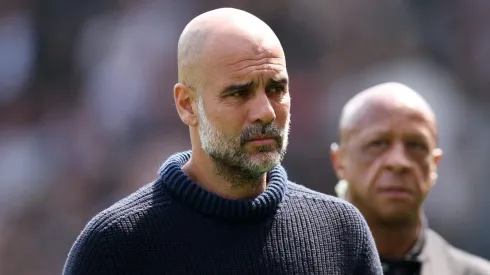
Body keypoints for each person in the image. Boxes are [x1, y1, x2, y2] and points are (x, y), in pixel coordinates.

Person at [62, 7, 383, 275]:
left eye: (276, 89)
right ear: (187, 105)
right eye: (239, 92)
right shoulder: (114, 247)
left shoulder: (341, 233)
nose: (265, 112)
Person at [330, 82, 490, 275]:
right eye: (378, 143)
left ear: (434, 164)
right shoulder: (293, 264)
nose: (399, 162)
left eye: (416, 146)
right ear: (340, 162)